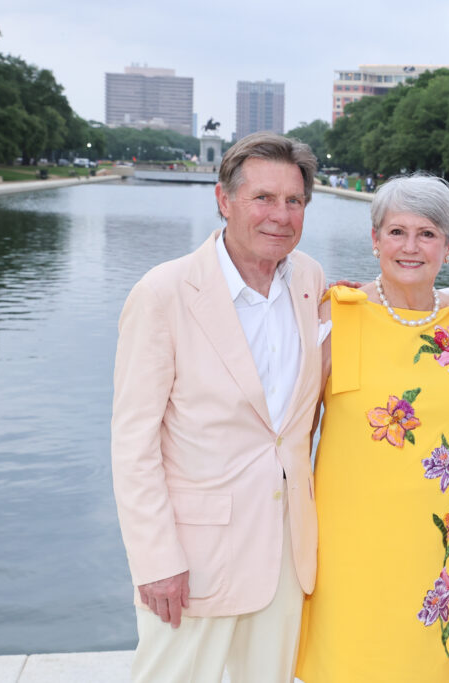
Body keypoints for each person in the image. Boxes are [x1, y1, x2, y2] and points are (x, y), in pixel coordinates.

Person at [111, 132, 325, 683]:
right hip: (193, 558)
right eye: (263, 198)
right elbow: (133, 446)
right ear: (223, 200)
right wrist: (156, 560)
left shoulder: (309, 279)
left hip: (287, 551)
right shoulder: (163, 293)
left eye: (294, 200)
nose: (280, 215)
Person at [294, 174, 449, 682]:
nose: (410, 247)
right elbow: (292, 434)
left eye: (427, 234)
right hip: (348, 548)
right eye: (397, 232)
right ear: (375, 239)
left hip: (436, 552)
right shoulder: (336, 315)